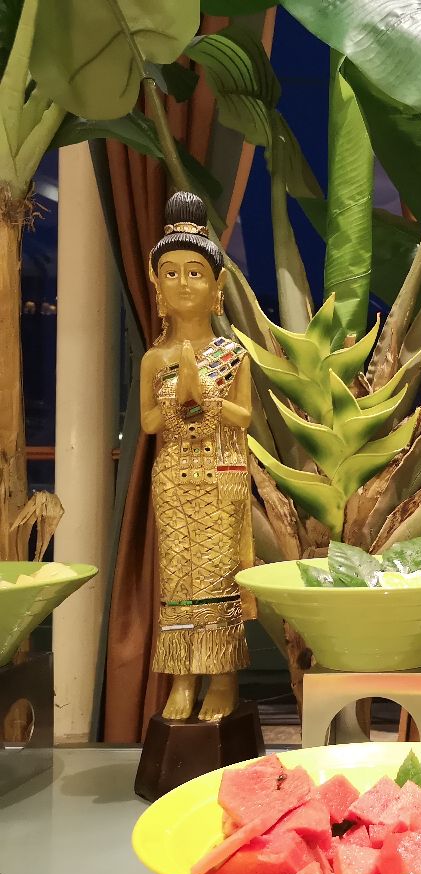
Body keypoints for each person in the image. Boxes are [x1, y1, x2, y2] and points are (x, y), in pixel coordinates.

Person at [139, 191, 253, 722]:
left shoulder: (232, 356)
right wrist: (175, 402)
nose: (183, 283)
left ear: (216, 285)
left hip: (220, 474)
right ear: (156, 284)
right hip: (173, 475)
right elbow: (148, 423)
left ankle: (223, 680)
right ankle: (182, 680)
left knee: (218, 575)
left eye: (195, 273)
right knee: (178, 579)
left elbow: (243, 418)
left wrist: (207, 398)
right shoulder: (153, 358)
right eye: (171, 273)